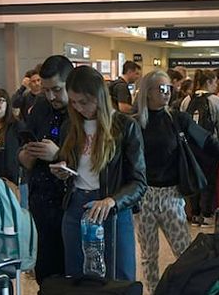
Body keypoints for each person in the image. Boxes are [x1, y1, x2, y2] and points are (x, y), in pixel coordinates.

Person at [134, 70, 219, 294]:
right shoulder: (135, 124)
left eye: (169, 89)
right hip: (144, 196)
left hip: (171, 195)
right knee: (148, 255)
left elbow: (206, 139)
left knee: (184, 250)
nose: (167, 93)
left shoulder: (176, 118)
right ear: (147, 93)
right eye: (161, 89)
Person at [51, 65, 147, 280]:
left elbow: (139, 182)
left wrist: (112, 201)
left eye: (84, 102)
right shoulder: (70, 127)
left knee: (120, 279)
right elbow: (75, 166)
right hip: (76, 205)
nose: (78, 108)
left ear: (99, 96)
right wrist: (63, 170)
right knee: (77, 279)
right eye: (73, 103)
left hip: (111, 209)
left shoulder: (125, 126)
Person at [19, 55, 73, 282]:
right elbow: (23, 152)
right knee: (47, 277)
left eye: (57, 90)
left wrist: (58, 155)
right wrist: (26, 156)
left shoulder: (83, 111)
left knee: (72, 276)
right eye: (46, 90)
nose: (51, 96)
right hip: (40, 201)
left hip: (70, 204)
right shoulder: (40, 106)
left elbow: (94, 163)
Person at [181, 69, 219, 224]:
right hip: (208, 147)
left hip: (190, 148)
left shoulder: (187, 100)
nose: (216, 86)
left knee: (193, 179)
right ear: (209, 82)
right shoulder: (214, 100)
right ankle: (206, 214)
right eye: (214, 82)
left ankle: (194, 213)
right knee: (209, 180)